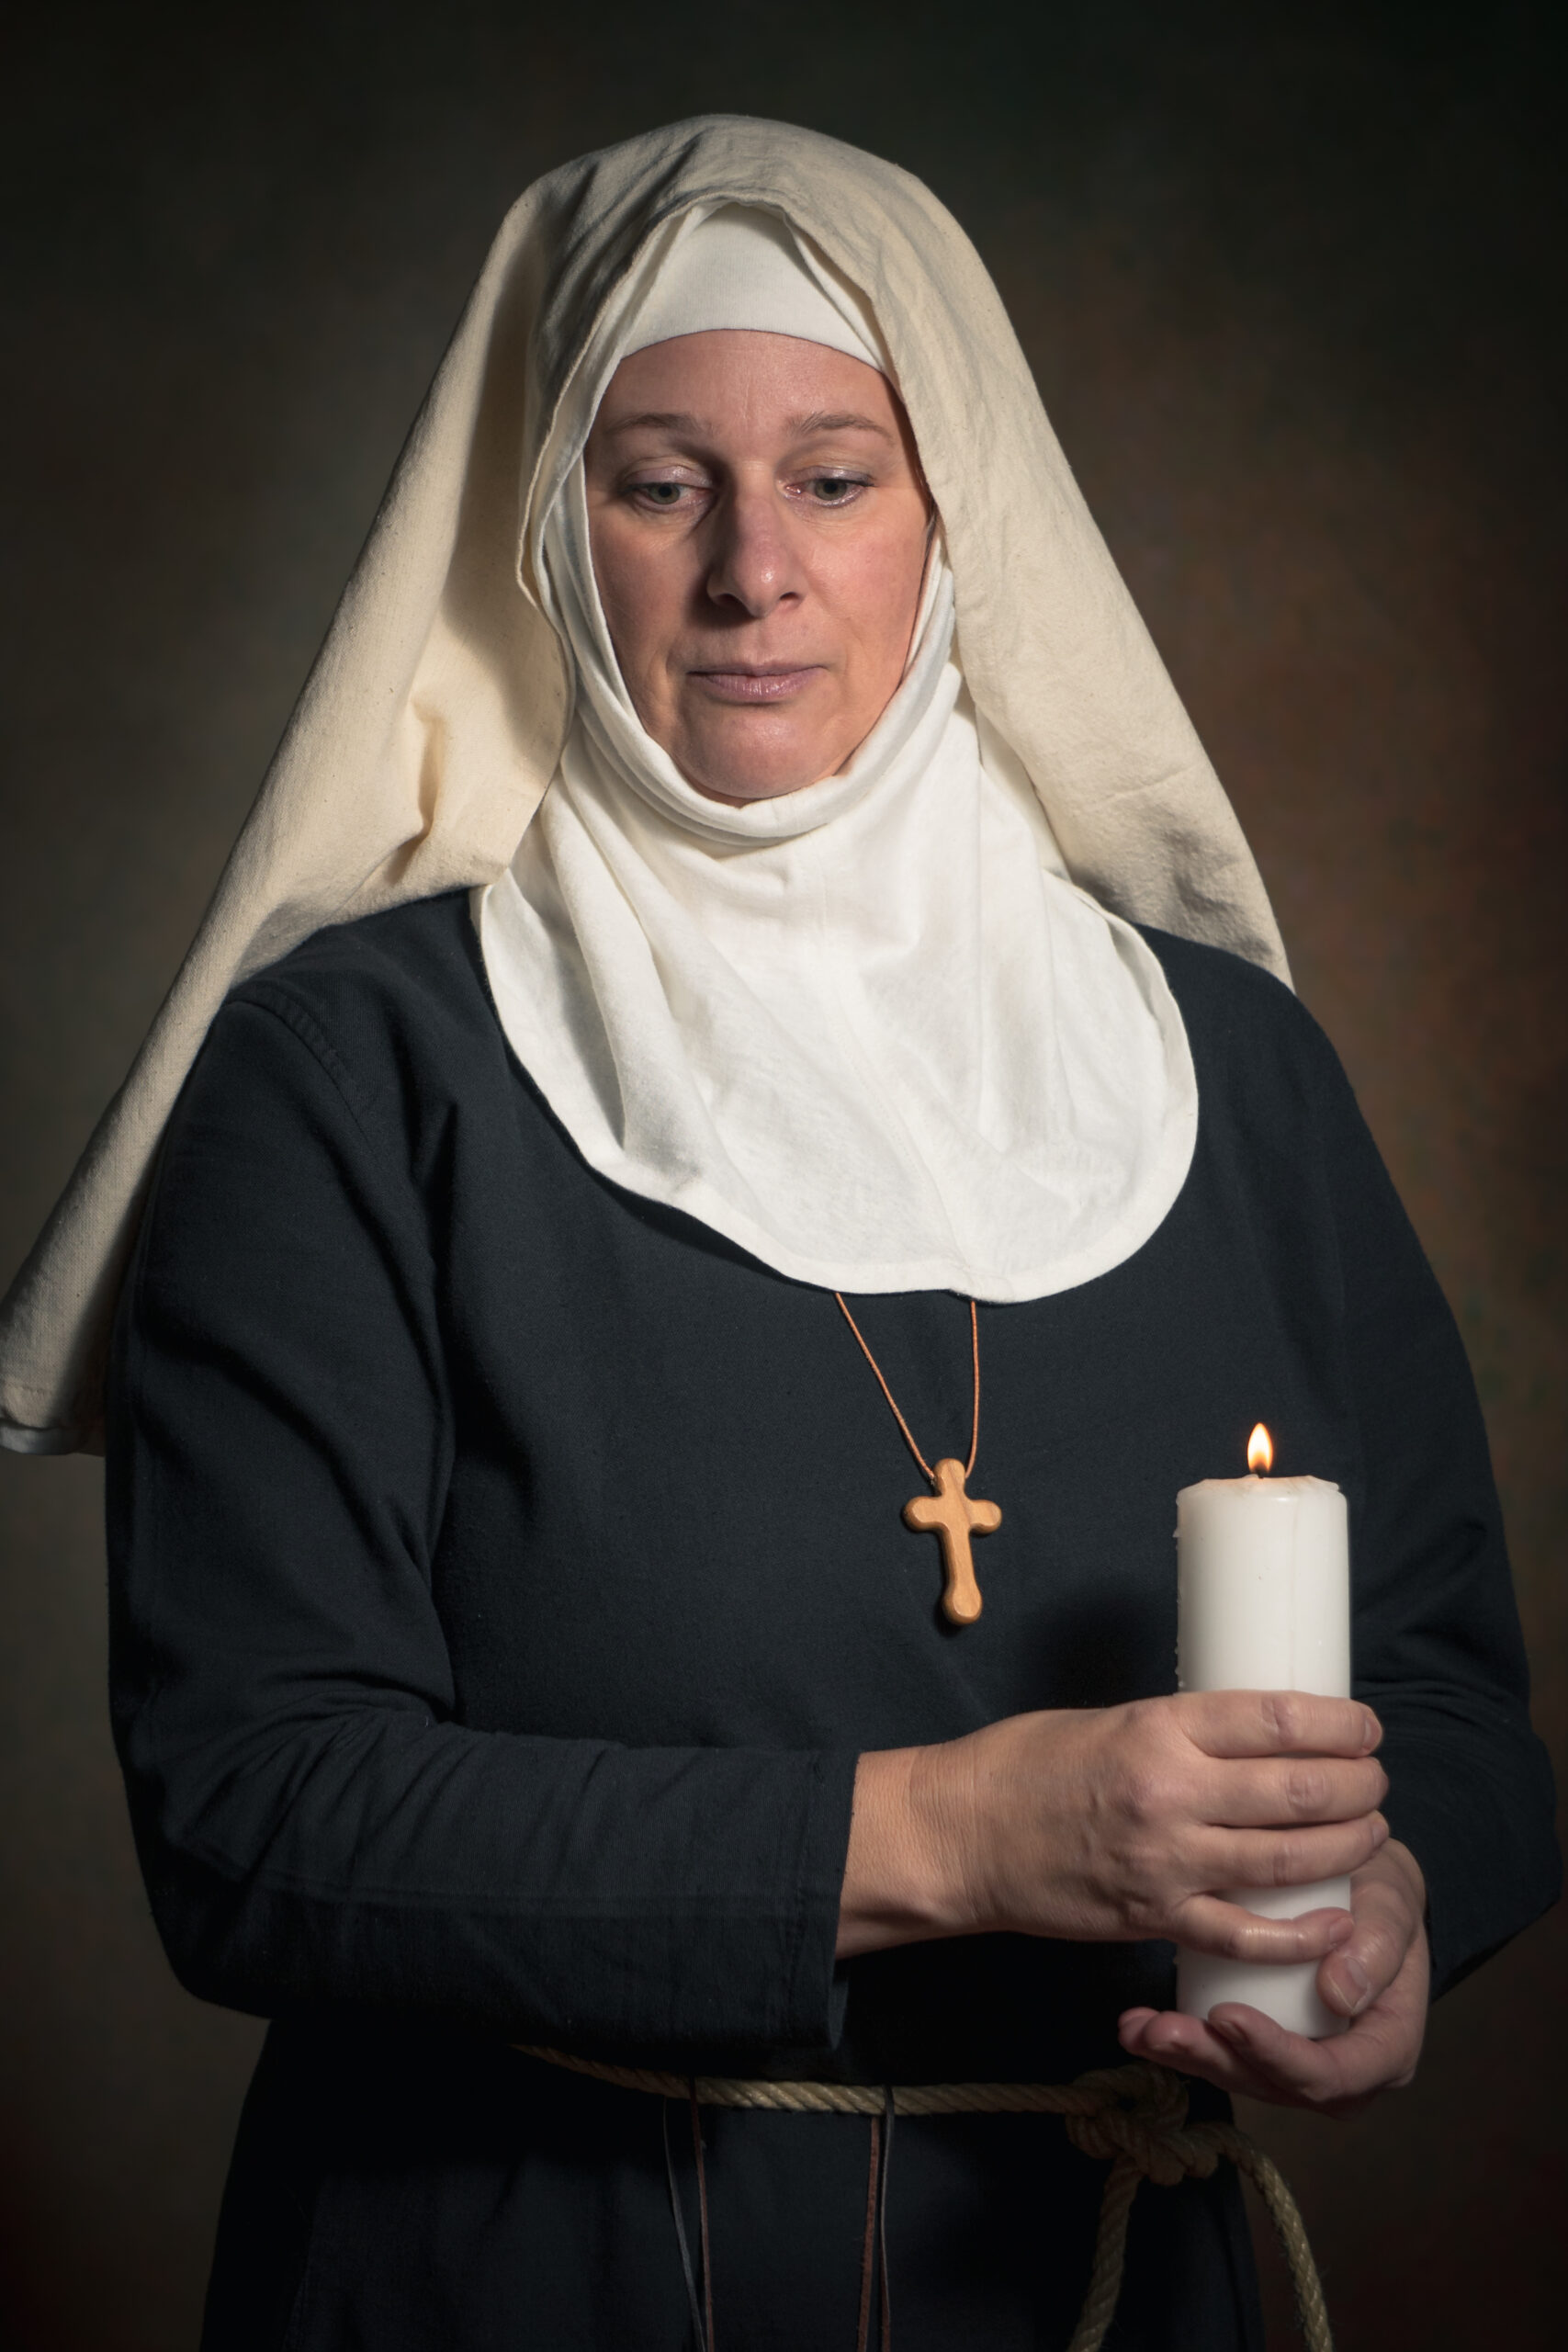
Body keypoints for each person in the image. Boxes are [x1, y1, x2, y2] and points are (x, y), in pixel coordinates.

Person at [0, 117, 1555, 2351]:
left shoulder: (1225, 1066)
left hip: (1108, 2276)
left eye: (834, 477)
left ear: (952, 520)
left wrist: (1388, 1892)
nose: (753, 571)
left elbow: (1452, 1705)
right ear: (552, 532)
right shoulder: (348, 1070)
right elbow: (252, 1816)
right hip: (518, 2273)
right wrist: (956, 1835)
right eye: (660, 484)